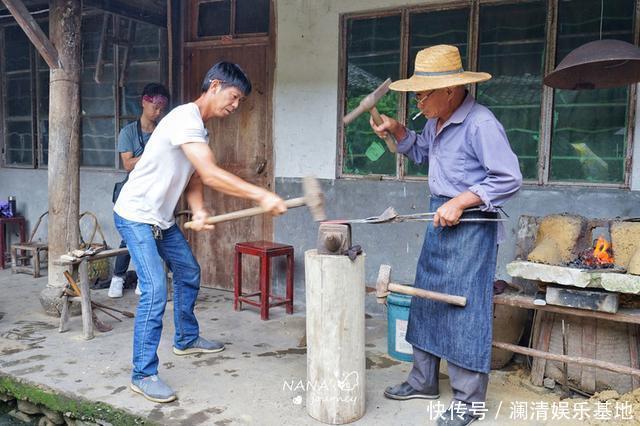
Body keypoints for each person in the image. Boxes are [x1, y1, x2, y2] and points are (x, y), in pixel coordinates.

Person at [113, 62, 287, 403]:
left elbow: (193, 176)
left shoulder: (199, 130)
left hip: (160, 219)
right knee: (153, 290)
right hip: (134, 215)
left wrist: (200, 208)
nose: (235, 106)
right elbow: (209, 171)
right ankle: (143, 374)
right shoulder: (183, 118)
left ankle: (186, 339)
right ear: (215, 86)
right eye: (234, 97)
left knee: (189, 271)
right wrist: (261, 194)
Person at [370, 45, 522, 426]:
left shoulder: (480, 124)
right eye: (416, 93)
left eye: (423, 93)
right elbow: (423, 151)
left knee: (463, 308)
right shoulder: (435, 120)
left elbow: (508, 178)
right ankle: (423, 380)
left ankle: (469, 402)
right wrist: (398, 130)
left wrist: (462, 201)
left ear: (451, 90)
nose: (418, 100)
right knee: (427, 299)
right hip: (440, 219)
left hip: (472, 227)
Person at [109, 83, 170, 298]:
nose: (159, 112)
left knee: (154, 236)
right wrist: (153, 153)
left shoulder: (163, 132)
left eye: (163, 108)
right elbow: (127, 164)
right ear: (144, 101)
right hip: (133, 194)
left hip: (156, 193)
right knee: (129, 238)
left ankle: (144, 281)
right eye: (155, 106)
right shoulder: (128, 133)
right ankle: (117, 278)